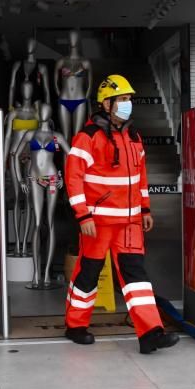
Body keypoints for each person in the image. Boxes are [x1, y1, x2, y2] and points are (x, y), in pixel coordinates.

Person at [63, 75, 179, 354]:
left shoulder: (134, 137)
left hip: (129, 223)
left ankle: (151, 333)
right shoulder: (88, 137)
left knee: (136, 277)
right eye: (122, 100)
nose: (127, 105)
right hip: (98, 223)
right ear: (106, 104)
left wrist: (145, 208)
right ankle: (75, 326)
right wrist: (83, 216)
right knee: (88, 274)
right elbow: (73, 177)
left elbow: (140, 177)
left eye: (129, 99)